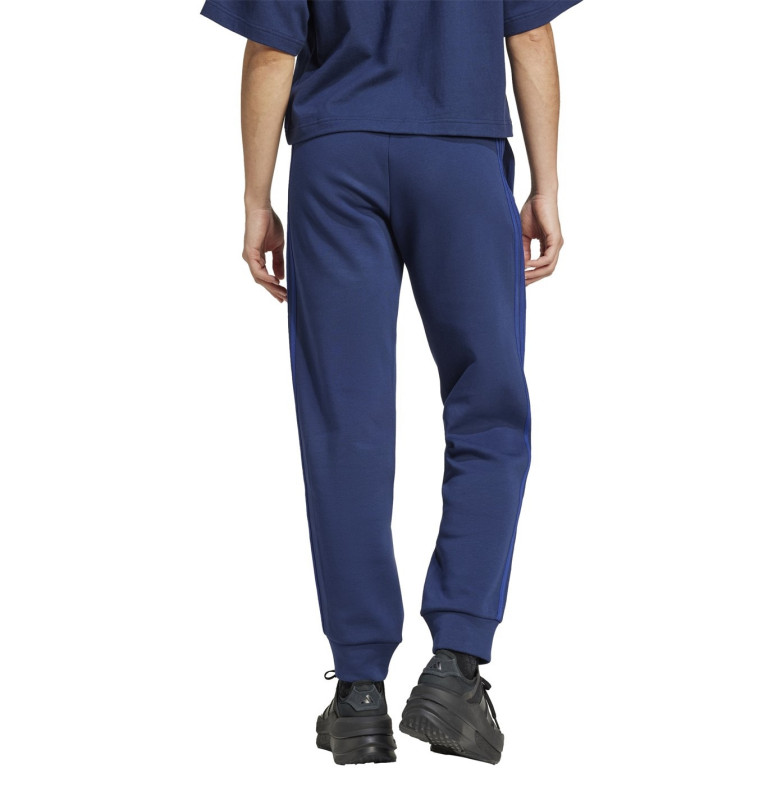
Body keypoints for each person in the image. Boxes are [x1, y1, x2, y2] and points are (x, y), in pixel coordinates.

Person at [199, 0, 582, 766]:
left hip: (336, 160)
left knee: (345, 422)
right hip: (461, 156)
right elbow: (531, 32)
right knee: (488, 405)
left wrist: (256, 197)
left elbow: (271, 52)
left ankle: (360, 693)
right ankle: (456, 670)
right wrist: (546, 185)